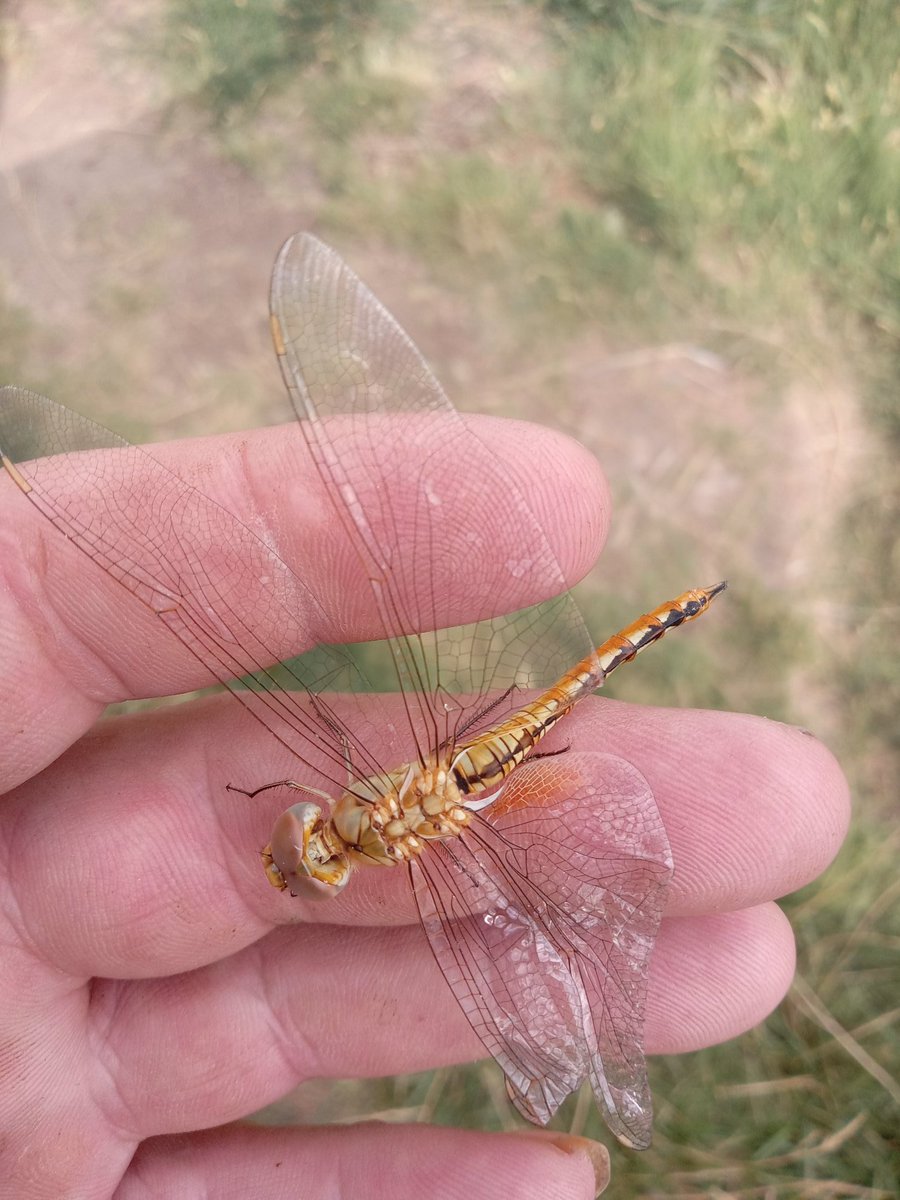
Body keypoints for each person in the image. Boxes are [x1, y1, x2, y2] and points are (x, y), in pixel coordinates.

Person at [0, 416, 849, 1200]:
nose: (311, 845)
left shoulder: (373, 826)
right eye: (318, 858)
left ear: (318, 819)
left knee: (607, 726)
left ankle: (658, 624)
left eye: (310, 842)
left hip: (500, 755)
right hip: (482, 770)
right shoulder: (352, 794)